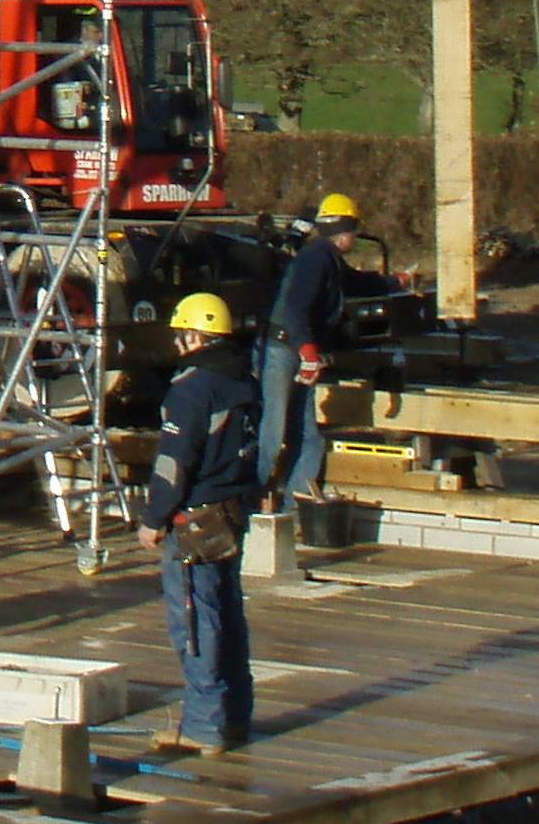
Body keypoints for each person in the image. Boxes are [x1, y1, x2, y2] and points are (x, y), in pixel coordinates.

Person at [140, 288, 262, 752]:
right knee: (229, 614)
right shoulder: (243, 380)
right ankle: (235, 718)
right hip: (233, 510)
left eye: (180, 336)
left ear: (195, 336)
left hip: (196, 519)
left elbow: (174, 462)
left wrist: (153, 518)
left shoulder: (192, 388)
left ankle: (204, 727)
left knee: (195, 620)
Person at [260, 191, 370, 514]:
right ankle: (253, 499)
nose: (357, 236)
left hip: (297, 351)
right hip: (285, 350)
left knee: (308, 436)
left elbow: (357, 283)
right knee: (274, 430)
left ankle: (294, 510)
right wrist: (308, 352)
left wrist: (395, 281)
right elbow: (295, 308)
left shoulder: (328, 261)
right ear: (343, 230)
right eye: (354, 230)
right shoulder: (315, 260)